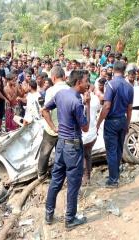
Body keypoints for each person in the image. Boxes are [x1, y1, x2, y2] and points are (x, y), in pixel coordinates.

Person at [43, 69, 90, 229]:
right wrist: (88, 105)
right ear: (78, 83)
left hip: (61, 143)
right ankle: (70, 218)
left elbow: (45, 110)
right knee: (73, 183)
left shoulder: (61, 94)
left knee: (56, 179)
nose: (88, 84)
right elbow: (85, 127)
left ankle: (49, 214)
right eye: (86, 81)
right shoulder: (77, 102)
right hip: (73, 146)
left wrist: (53, 127)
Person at [96, 61, 134, 188]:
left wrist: (98, 122)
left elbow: (106, 106)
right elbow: (129, 108)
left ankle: (113, 180)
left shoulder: (111, 85)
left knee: (111, 151)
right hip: (122, 120)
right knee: (118, 149)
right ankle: (115, 174)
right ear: (124, 71)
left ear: (113, 70)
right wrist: (127, 123)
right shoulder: (129, 87)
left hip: (111, 121)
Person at [37, 66, 69, 178]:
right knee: (62, 154)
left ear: (53, 77)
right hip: (66, 128)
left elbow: (45, 112)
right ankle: (61, 174)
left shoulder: (51, 91)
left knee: (45, 153)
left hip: (52, 129)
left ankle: (41, 174)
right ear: (64, 77)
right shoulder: (70, 89)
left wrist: (53, 127)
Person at [81, 85, 101, 185]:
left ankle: (85, 178)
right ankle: (87, 177)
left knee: (83, 156)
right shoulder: (95, 98)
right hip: (92, 133)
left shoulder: (79, 98)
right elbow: (97, 110)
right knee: (88, 155)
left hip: (84, 134)